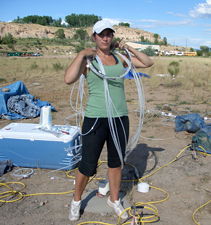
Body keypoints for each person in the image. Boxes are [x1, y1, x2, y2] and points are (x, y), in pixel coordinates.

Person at [64, 19, 153, 221]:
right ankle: (76, 201)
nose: (105, 38)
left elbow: (148, 63)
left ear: (112, 37)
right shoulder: (88, 61)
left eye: (109, 34)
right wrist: (80, 54)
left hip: (120, 118)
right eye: (101, 34)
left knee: (116, 163)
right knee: (87, 165)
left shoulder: (121, 58)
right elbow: (68, 79)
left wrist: (126, 47)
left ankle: (114, 200)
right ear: (94, 37)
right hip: (95, 119)